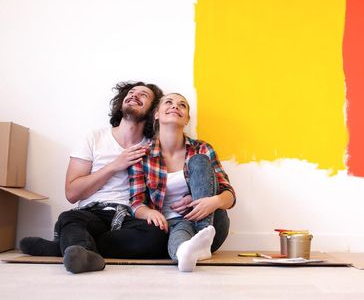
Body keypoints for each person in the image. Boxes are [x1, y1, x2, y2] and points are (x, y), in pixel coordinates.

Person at [20, 81, 169, 274]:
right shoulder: (94, 137)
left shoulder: (154, 146)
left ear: (153, 110)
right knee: (70, 218)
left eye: (143, 95)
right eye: (131, 92)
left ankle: (69, 247)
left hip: (131, 216)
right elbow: (72, 193)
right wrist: (115, 165)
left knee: (157, 235)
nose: (134, 95)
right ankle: (80, 249)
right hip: (93, 213)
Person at [129, 93, 235, 272]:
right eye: (168, 102)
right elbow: (136, 202)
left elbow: (229, 195)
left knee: (199, 160)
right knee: (181, 237)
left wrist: (213, 201)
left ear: (187, 119)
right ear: (156, 114)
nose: (175, 106)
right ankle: (186, 253)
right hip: (170, 226)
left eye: (182, 105)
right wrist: (149, 213)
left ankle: (203, 237)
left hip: (212, 224)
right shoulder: (142, 155)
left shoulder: (202, 148)